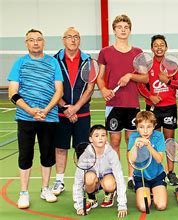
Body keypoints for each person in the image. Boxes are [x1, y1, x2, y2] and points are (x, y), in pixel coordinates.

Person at [8, 29, 63, 208]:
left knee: (47, 155)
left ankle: (45, 188)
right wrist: (31, 111)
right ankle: (24, 192)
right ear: (26, 43)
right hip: (25, 117)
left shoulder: (53, 63)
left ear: (43, 42)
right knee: (25, 155)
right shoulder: (20, 63)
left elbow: (59, 91)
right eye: (31, 40)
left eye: (39, 39)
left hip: (49, 117)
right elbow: (12, 93)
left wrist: (46, 110)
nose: (36, 43)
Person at [96, 14, 149, 190]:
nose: (123, 29)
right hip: (113, 105)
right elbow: (100, 77)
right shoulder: (105, 52)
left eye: (126, 26)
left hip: (132, 104)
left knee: (131, 142)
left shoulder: (137, 53)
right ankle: (116, 175)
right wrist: (103, 90)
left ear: (130, 30)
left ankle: (132, 177)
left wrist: (130, 76)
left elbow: (145, 78)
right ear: (114, 30)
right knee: (115, 142)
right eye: (119, 27)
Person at [51, 27, 95, 196]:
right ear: (63, 40)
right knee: (61, 148)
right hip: (60, 113)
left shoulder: (88, 61)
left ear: (79, 39)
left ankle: (84, 180)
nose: (73, 40)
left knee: (82, 148)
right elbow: (52, 86)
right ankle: (59, 181)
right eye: (69, 37)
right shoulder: (55, 60)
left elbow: (90, 88)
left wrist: (75, 108)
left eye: (76, 37)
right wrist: (65, 107)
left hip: (82, 113)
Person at [138, 34, 178, 186]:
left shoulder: (172, 65)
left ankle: (171, 172)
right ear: (151, 48)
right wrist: (150, 96)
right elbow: (140, 85)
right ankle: (153, 171)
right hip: (152, 109)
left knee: (169, 140)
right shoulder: (146, 65)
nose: (159, 47)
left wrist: (168, 81)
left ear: (166, 47)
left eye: (161, 44)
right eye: (156, 45)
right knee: (151, 140)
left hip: (169, 107)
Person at [72, 125, 127, 217]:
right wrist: (79, 206)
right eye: (96, 136)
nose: (100, 138)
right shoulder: (85, 155)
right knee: (88, 178)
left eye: (103, 135)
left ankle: (109, 193)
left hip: (107, 177)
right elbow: (78, 181)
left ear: (106, 137)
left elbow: (120, 178)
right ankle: (92, 198)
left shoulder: (112, 154)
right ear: (90, 139)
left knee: (109, 183)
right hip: (93, 179)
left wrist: (122, 205)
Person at [128, 111, 167, 212]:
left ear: (154, 126)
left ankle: (156, 190)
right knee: (144, 207)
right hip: (141, 177)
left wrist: (148, 145)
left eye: (149, 127)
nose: (145, 131)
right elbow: (131, 160)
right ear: (137, 127)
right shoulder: (133, 137)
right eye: (141, 127)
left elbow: (159, 160)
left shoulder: (159, 136)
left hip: (157, 176)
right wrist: (135, 145)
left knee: (161, 206)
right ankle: (146, 191)